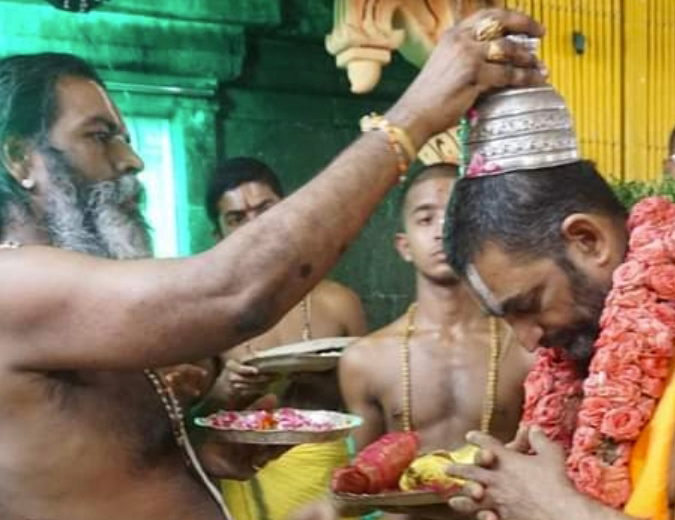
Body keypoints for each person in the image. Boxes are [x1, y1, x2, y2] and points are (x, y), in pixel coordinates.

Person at [0, 9, 546, 520]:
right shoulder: (3, 287)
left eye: (126, 137)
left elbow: (98, 467)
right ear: (19, 157)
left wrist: (201, 451)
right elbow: (235, 292)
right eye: (100, 136)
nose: (131, 160)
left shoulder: (58, 298)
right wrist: (413, 117)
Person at [442, 84, 675, 520]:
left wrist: (553, 507)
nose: (528, 342)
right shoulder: (585, 364)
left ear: (587, 240)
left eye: (530, 302)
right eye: (506, 318)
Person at [339, 162, 531, 520]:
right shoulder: (365, 359)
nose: (442, 231)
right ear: (404, 246)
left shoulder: (525, 349)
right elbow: (359, 487)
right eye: (425, 219)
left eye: (454, 216)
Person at [204, 157, 368, 520]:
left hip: (325, 488)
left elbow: (369, 403)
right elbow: (191, 419)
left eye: (265, 209)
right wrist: (224, 390)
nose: (256, 226)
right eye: (237, 218)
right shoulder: (210, 319)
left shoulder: (339, 303)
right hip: (245, 479)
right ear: (219, 236)